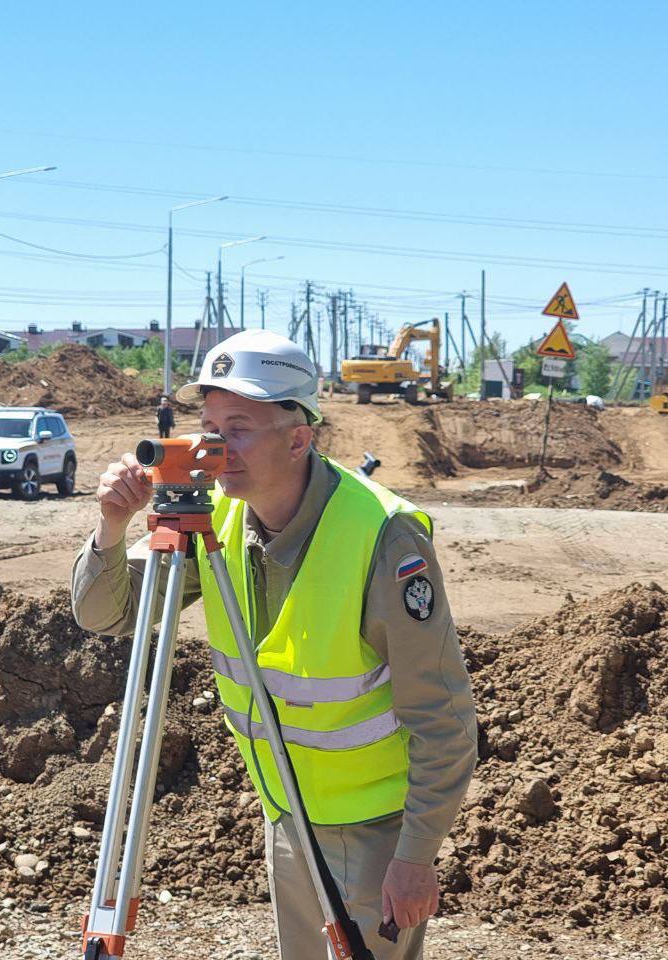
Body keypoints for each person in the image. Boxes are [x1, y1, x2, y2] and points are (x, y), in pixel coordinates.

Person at [72, 329, 477, 960]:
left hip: (373, 834)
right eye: (208, 424)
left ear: (297, 436)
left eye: (238, 427)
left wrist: (416, 857)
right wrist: (113, 524)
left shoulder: (383, 536)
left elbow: (444, 718)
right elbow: (109, 616)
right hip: (285, 813)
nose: (213, 447)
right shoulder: (215, 518)